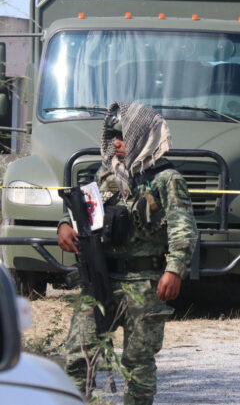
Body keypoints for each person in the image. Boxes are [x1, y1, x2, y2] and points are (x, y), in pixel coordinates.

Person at [57, 102, 197, 404]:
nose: (116, 143)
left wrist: (174, 269)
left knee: (138, 364)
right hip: (101, 279)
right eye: (113, 136)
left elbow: (183, 228)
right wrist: (64, 227)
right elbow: (85, 213)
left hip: (144, 282)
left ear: (140, 135)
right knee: (79, 356)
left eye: (122, 136)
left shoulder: (166, 179)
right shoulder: (106, 175)